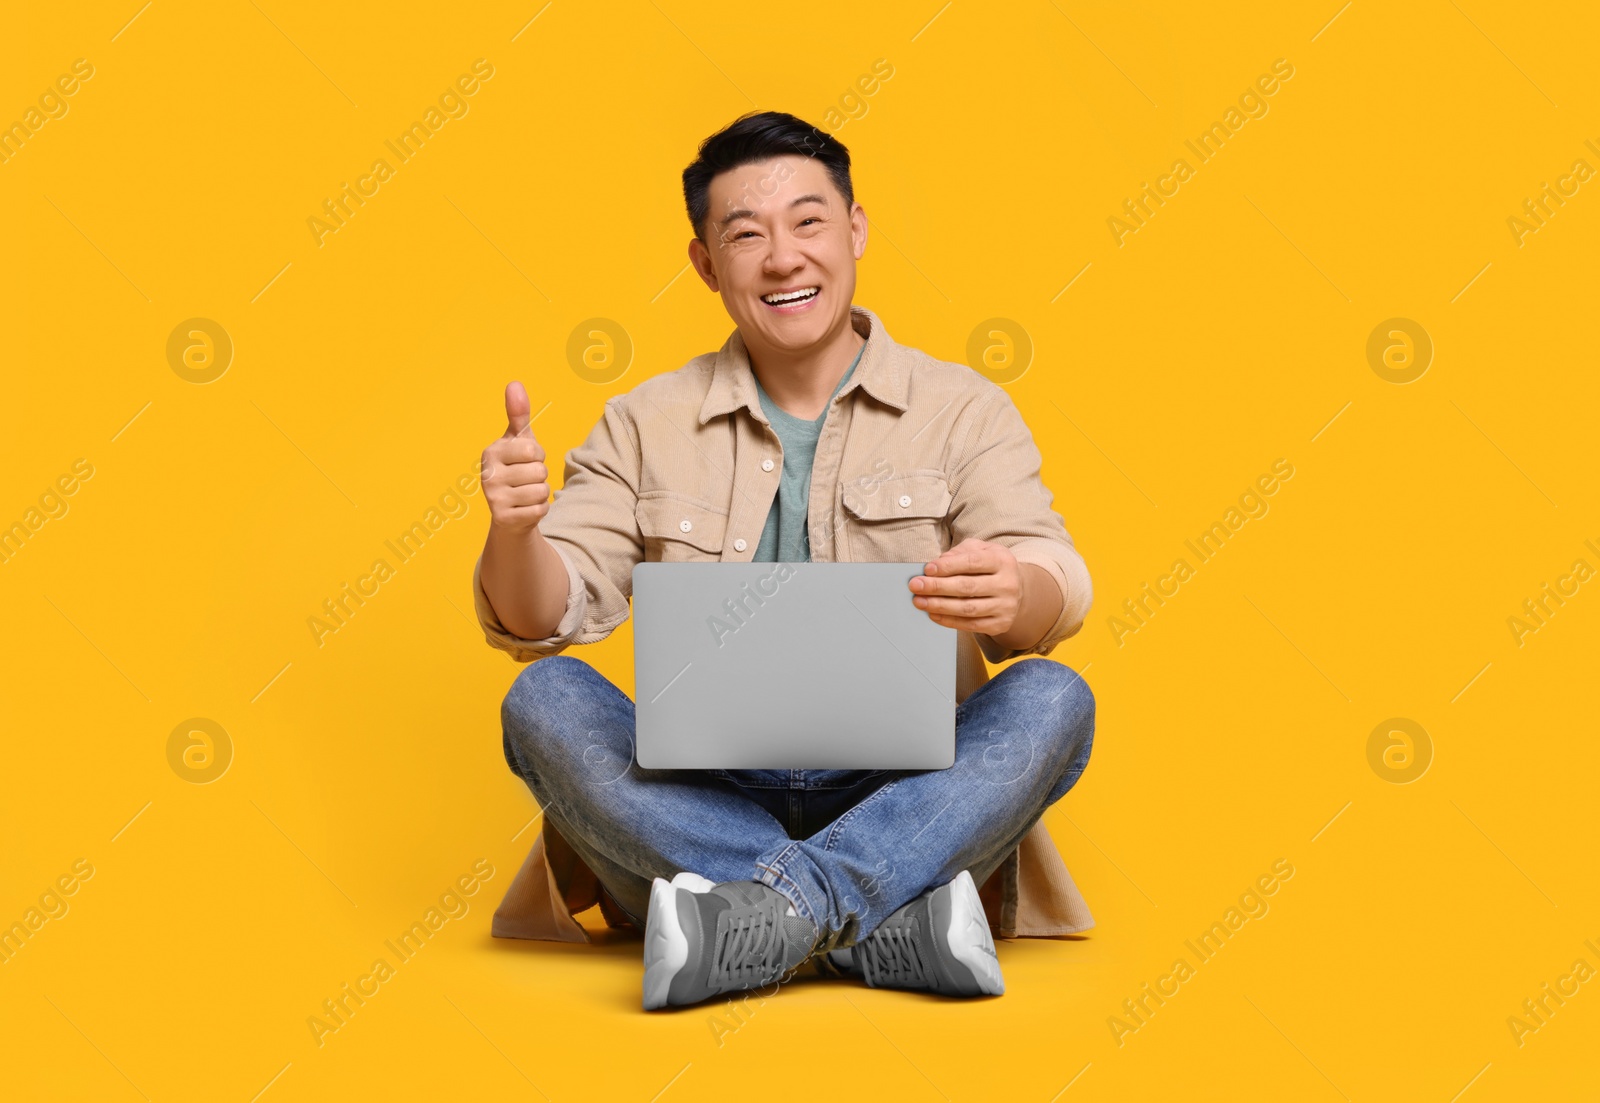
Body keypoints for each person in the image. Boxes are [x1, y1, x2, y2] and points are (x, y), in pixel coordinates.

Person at [473, 111, 1096, 1011]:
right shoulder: (644, 421)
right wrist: (516, 531)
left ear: (856, 230)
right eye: (746, 234)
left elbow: (1056, 579)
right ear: (705, 264)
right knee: (542, 701)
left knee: (1054, 699)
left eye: (808, 221)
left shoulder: (963, 408)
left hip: (905, 785)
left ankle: (765, 916)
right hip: (697, 787)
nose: (783, 257)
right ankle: (874, 919)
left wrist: (1018, 587)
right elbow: (538, 620)